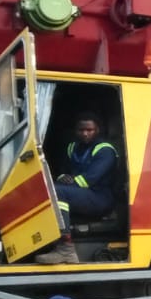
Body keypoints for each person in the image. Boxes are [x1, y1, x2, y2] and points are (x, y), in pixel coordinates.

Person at [36, 113, 118, 266]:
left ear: (97, 130)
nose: (85, 133)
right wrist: (62, 177)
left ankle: (66, 249)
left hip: (100, 198)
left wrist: (65, 183)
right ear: (75, 131)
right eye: (81, 130)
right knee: (51, 189)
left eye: (89, 130)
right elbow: (62, 170)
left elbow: (88, 180)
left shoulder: (105, 150)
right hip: (80, 193)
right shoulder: (72, 147)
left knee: (57, 192)